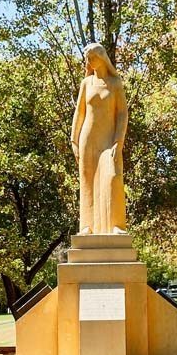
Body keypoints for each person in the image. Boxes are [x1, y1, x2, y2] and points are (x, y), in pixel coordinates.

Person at [69, 43, 129, 234]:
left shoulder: (115, 83)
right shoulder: (86, 84)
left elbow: (122, 114)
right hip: (88, 137)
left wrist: (118, 141)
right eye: (87, 58)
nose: (89, 61)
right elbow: (79, 113)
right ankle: (87, 226)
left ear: (101, 57)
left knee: (111, 177)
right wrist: (74, 141)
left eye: (92, 57)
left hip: (109, 139)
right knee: (87, 179)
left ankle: (116, 225)